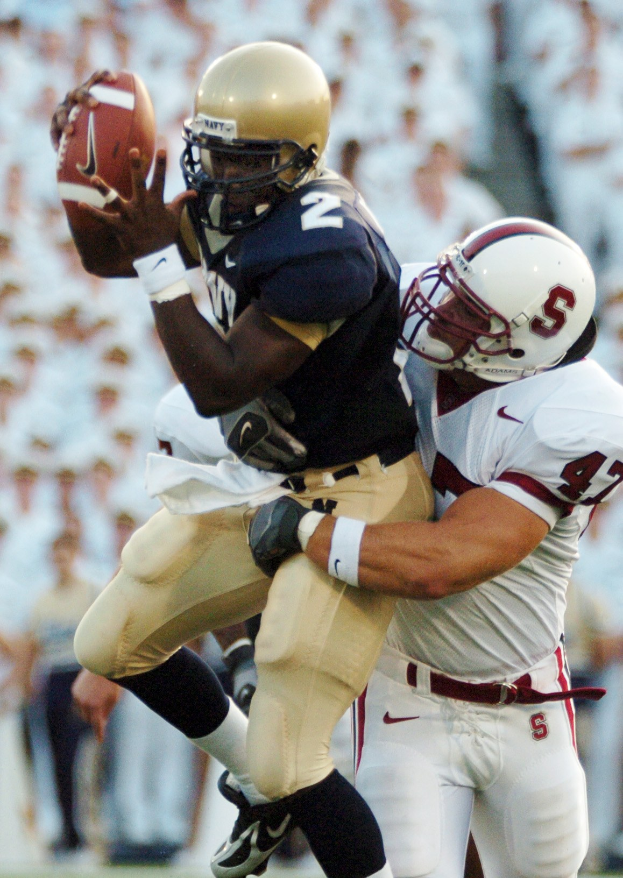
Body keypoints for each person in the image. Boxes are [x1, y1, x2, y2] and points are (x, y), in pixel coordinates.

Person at [51, 41, 433, 878]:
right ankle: (255, 785)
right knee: (110, 641)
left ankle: (276, 785)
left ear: (298, 157)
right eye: (213, 152)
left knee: (291, 757)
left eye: (243, 159)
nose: (220, 175)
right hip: (276, 481)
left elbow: (219, 383)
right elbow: (107, 252)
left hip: (362, 493)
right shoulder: (253, 199)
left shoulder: (326, 246)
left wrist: (161, 261)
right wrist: (84, 186)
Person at [246, 216, 623, 878]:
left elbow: (444, 563)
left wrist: (306, 530)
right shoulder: (422, 297)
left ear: (517, 346)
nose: (437, 311)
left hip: (526, 694)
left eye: (469, 315)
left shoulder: (578, 415)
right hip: (407, 691)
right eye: (452, 288)